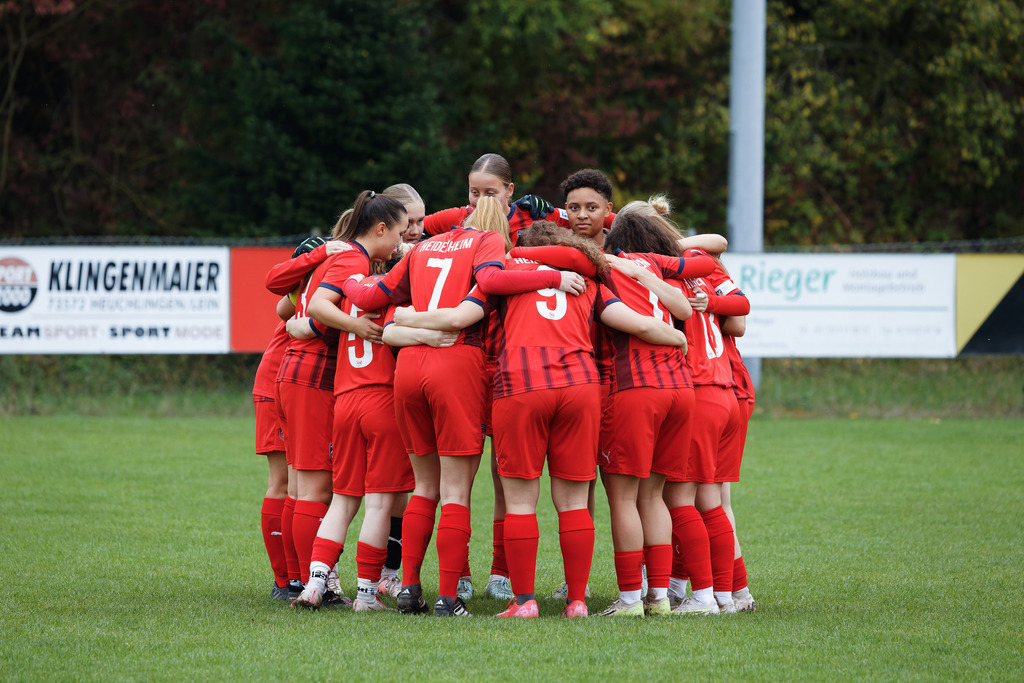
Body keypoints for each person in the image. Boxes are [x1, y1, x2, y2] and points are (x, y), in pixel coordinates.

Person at [341, 196, 586, 617]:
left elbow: (369, 294)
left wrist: (344, 271)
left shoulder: (423, 248)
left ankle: (409, 588)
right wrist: (550, 277)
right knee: (456, 491)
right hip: (457, 364)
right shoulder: (488, 241)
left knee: (423, 487)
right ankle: (449, 598)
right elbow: (488, 285)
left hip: (409, 368)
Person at [590, 212, 717, 617]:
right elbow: (685, 308)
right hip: (681, 389)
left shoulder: (603, 267)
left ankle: (630, 600)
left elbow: (617, 323)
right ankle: (659, 598)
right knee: (654, 496)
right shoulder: (657, 265)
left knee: (624, 498)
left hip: (637, 388)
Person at [259, 235, 348, 600]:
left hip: (288, 380)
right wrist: (315, 256)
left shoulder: (324, 273)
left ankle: (296, 580)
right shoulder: (328, 268)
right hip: (288, 381)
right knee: (289, 483)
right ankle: (289, 580)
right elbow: (283, 305)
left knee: (297, 485)